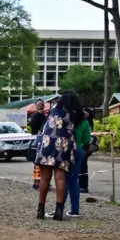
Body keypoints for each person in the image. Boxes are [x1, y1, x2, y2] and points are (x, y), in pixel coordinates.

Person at [35, 90, 83, 221]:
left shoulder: (54, 107)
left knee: (44, 178)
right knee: (60, 178)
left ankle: (40, 210)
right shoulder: (74, 113)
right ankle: (59, 212)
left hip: (46, 143)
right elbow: (84, 116)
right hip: (63, 146)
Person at [46, 106, 90, 218]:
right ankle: (75, 210)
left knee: (63, 179)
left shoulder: (66, 119)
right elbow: (86, 140)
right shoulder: (84, 122)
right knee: (74, 180)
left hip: (67, 149)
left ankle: (59, 208)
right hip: (79, 150)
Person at [28, 99, 46, 189]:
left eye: (40, 105)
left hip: (40, 141)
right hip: (39, 140)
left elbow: (30, 125)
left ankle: (39, 183)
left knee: (39, 163)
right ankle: (38, 183)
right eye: (38, 105)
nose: (38, 106)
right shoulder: (42, 116)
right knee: (39, 163)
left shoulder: (43, 116)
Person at [79, 109, 96, 193]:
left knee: (82, 164)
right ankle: (81, 185)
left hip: (86, 145)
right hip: (81, 145)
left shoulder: (87, 123)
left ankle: (83, 186)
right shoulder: (81, 121)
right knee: (80, 164)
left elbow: (90, 136)